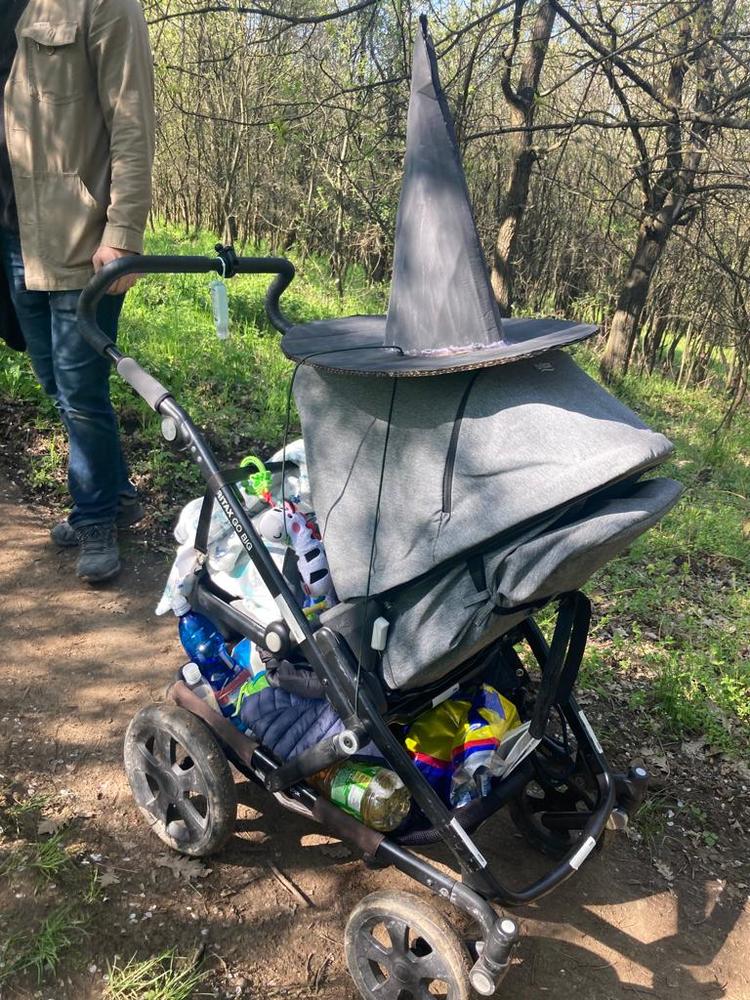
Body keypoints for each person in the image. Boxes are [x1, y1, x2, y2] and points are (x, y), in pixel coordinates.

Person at [0, 0, 154, 583]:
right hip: (13, 236)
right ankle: (117, 495)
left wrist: (124, 233)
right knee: (54, 381)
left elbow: (133, 120)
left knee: (81, 390)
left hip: (81, 236)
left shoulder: (103, 5)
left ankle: (94, 518)